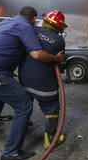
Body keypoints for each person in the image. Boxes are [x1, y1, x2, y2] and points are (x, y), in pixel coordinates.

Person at [0, 6, 64, 160]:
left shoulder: (5, 23)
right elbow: (37, 54)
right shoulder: (25, 26)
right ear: (33, 19)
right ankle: (11, 152)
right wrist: (56, 58)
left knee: (0, 94)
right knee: (24, 105)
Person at [18, 10, 66, 150]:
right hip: (44, 84)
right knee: (52, 108)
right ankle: (51, 139)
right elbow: (59, 60)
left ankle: (24, 126)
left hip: (25, 79)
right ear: (59, 27)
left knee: (25, 104)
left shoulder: (31, 30)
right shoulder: (59, 40)